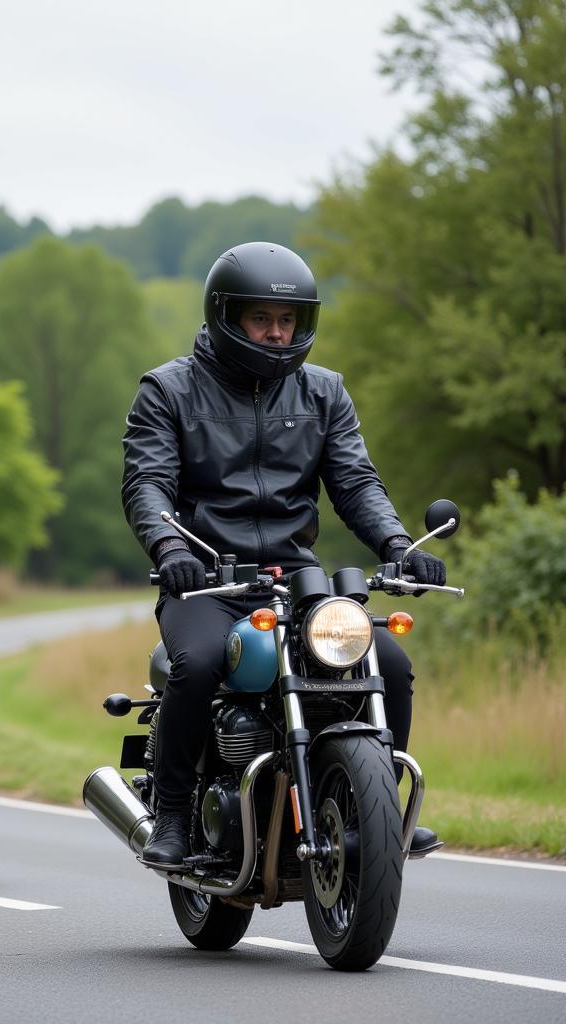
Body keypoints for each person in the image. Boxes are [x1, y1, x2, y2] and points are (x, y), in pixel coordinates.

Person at [121, 241, 446, 868]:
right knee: (199, 663)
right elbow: (146, 483)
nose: (276, 335)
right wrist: (169, 545)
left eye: (287, 321)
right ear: (227, 317)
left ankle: (382, 807)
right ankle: (172, 813)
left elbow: (355, 482)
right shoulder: (169, 390)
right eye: (261, 320)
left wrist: (399, 544)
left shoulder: (324, 392)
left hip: (298, 580)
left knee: (391, 664)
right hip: (205, 579)